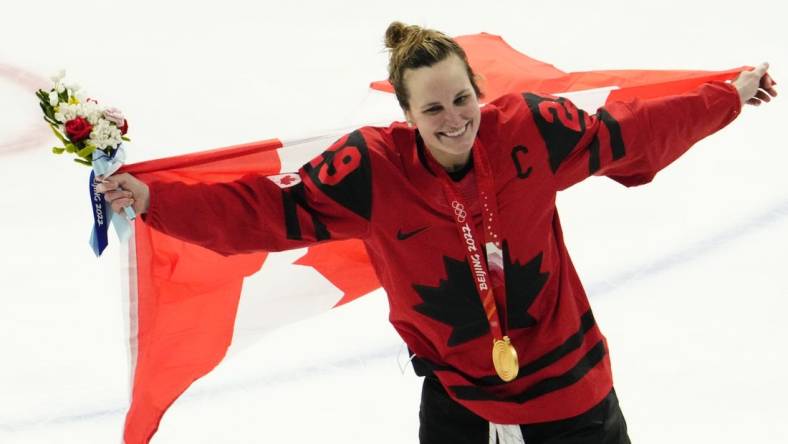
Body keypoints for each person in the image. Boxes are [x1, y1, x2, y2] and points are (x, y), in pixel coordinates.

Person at [98, 22, 777, 444]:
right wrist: (155, 199)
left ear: (476, 89)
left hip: (572, 399)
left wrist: (728, 96)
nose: (454, 120)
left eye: (461, 100)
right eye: (432, 109)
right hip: (460, 403)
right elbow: (262, 212)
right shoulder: (369, 169)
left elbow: (636, 130)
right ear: (406, 112)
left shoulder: (532, 132)